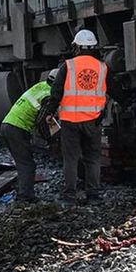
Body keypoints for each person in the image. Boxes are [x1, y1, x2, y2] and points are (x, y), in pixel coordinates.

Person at [43, 29, 108, 204]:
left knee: (70, 159)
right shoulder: (102, 67)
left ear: (77, 47)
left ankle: (70, 195)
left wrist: (49, 112)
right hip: (93, 121)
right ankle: (93, 195)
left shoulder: (68, 66)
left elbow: (56, 91)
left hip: (70, 121)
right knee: (93, 158)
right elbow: (112, 89)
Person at [1, 76, 52, 204]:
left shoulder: (41, 86)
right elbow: (41, 121)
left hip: (7, 124)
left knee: (21, 162)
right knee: (27, 164)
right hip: (18, 128)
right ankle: (24, 196)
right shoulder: (48, 95)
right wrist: (49, 139)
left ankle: (23, 191)